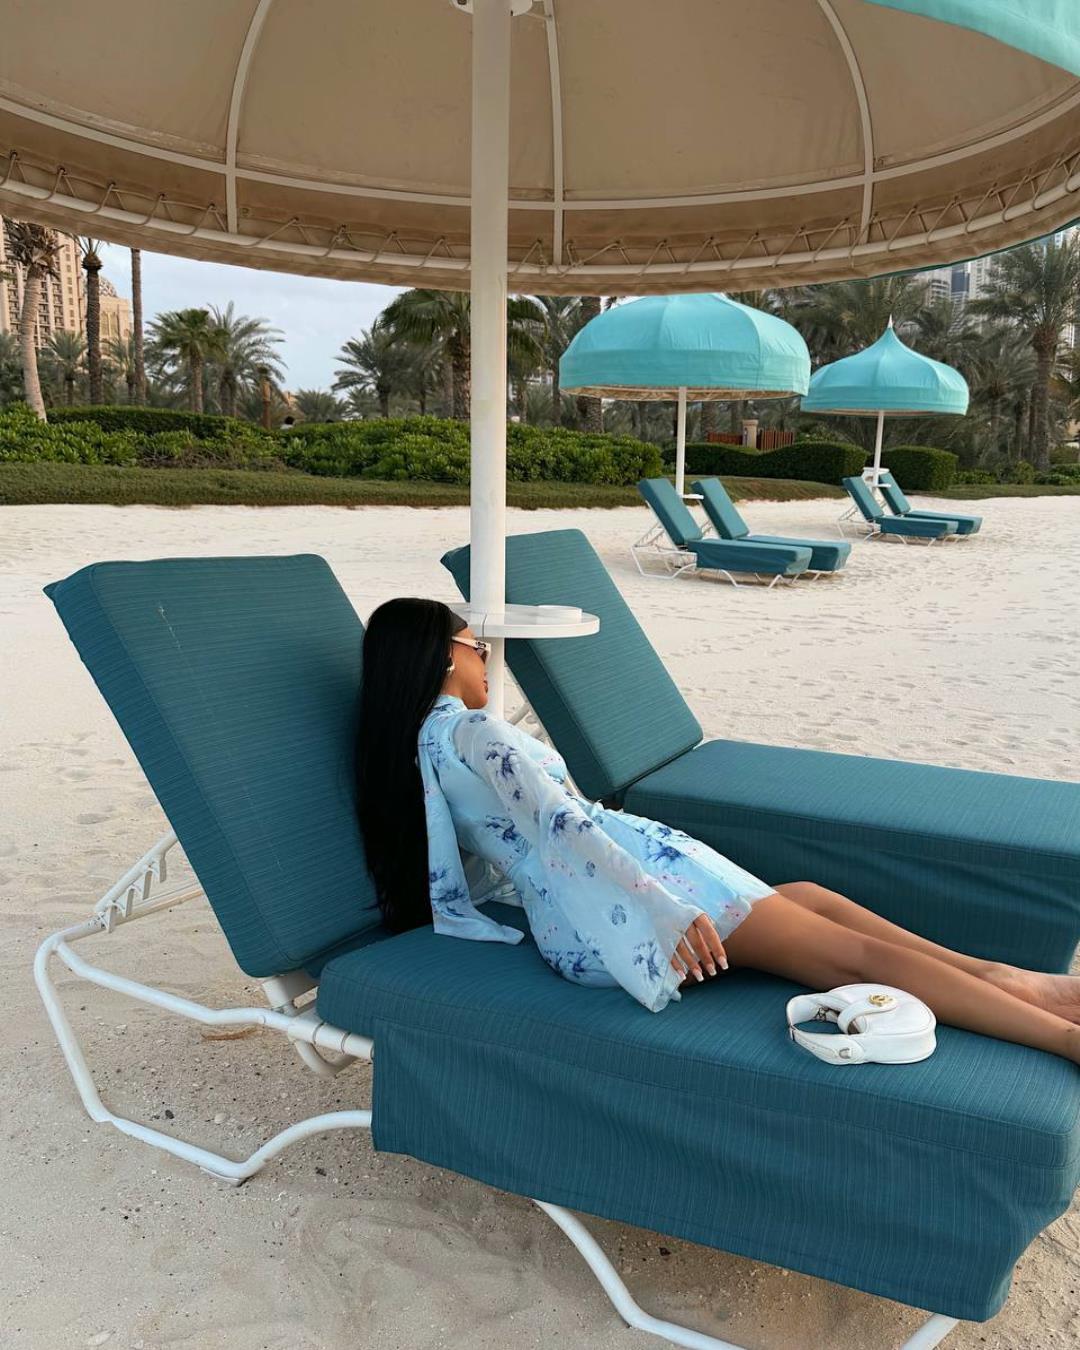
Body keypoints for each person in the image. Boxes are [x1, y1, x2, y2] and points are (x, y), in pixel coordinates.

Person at [356, 598, 1080, 1063]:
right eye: (476, 645)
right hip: (627, 905)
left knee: (808, 896)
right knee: (852, 957)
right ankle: (1061, 1038)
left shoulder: (420, 744)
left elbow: (484, 857)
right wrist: (663, 908)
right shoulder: (476, 730)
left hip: (577, 923)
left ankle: (1008, 980)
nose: (486, 658)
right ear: (445, 653)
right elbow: (562, 822)